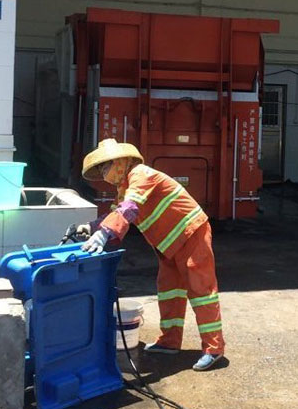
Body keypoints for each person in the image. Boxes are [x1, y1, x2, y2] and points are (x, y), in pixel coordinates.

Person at [78, 138, 225, 371]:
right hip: (169, 243)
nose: (105, 174)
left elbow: (129, 208)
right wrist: (91, 227)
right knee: (169, 290)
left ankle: (213, 348)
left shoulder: (141, 175)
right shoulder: (125, 187)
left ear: (121, 162)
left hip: (191, 233)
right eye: (102, 170)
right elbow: (117, 211)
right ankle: (169, 341)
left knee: (201, 291)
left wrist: (104, 233)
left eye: (106, 167)